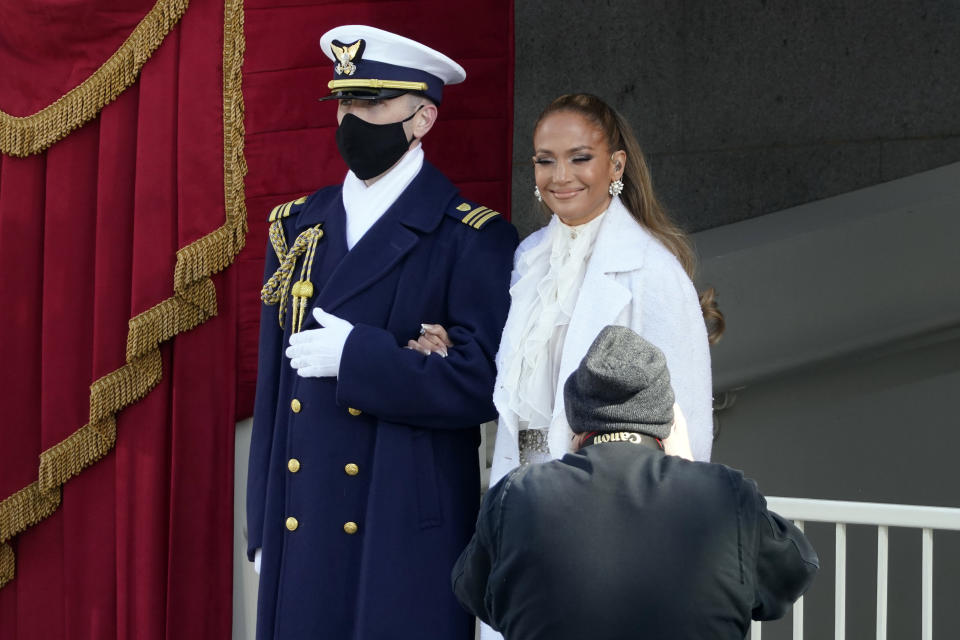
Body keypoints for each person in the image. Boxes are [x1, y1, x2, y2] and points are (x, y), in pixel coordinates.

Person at [245, 25, 518, 640]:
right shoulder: (297, 228)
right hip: (304, 516)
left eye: (372, 104)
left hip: (402, 519)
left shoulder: (471, 236)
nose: (352, 119)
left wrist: (358, 357)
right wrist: (261, 525)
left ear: (423, 118)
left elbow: (481, 383)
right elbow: (273, 386)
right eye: (345, 103)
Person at [452, 326, 819, 640]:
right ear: (666, 424)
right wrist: (689, 464)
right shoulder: (726, 496)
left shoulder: (516, 497)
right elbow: (795, 571)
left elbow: (475, 590)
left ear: (575, 427)